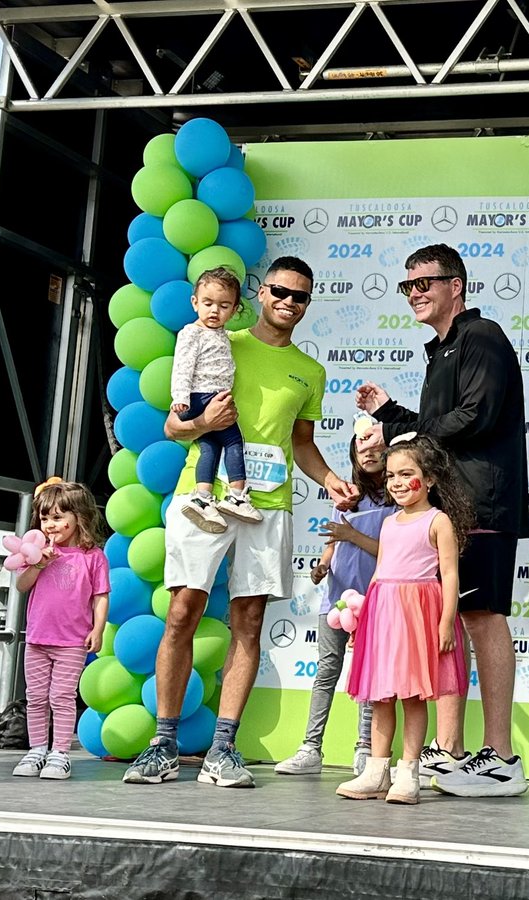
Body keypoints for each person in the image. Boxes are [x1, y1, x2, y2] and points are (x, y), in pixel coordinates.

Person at [124, 256, 358, 787]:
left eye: (299, 296)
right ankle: (163, 743)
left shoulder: (310, 371)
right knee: (183, 612)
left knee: (248, 622)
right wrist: (202, 422)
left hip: (266, 506)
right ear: (262, 293)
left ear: (306, 304)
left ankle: (223, 749)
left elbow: (301, 443)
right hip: (202, 497)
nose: (288, 302)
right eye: (280, 291)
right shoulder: (220, 339)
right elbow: (174, 426)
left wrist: (328, 480)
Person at [356, 243, 529, 797]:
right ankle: (448, 753)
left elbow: (476, 416)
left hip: (483, 504)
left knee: (482, 617)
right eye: (407, 286)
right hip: (452, 505)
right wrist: (389, 415)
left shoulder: (481, 336)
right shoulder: (441, 349)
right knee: (452, 621)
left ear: (457, 285)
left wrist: (410, 435)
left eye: (426, 282)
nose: (416, 293)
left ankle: (501, 758)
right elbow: (434, 427)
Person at [337, 434, 472, 805]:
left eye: (406, 473)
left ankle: (408, 771)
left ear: (428, 479)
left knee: (413, 696)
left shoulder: (438, 520)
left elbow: (450, 575)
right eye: (391, 475)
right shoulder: (389, 523)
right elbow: (379, 574)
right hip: (384, 614)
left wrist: (446, 622)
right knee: (380, 697)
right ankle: (376, 770)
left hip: (419, 615)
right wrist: (364, 622)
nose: (396, 482)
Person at [275, 435, 395, 777]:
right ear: (353, 455)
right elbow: (334, 541)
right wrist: (323, 564)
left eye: (376, 449)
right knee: (326, 672)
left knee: (370, 678)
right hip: (336, 601)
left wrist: (352, 537)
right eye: (362, 449)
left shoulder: (396, 500)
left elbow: (391, 551)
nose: (369, 454)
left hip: (375, 602)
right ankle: (311, 748)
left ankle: (366, 750)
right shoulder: (344, 497)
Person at [11, 481, 110, 781]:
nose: (50, 525)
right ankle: (37, 748)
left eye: (57, 517)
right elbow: (21, 585)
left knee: (62, 696)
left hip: (71, 641)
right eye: (44, 518)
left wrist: (99, 629)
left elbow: (100, 595)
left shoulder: (92, 557)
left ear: (78, 517)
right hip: (38, 637)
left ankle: (60, 753)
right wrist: (39, 564)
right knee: (36, 696)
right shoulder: (36, 554)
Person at [172, 267, 263, 533]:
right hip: (203, 397)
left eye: (224, 306)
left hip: (209, 395)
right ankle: (236, 495)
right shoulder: (192, 333)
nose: (215, 311)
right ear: (195, 303)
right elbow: (182, 367)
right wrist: (180, 397)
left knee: (210, 446)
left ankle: (202, 497)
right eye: (208, 303)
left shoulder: (220, 334)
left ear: (234, 310)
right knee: (233, 441)